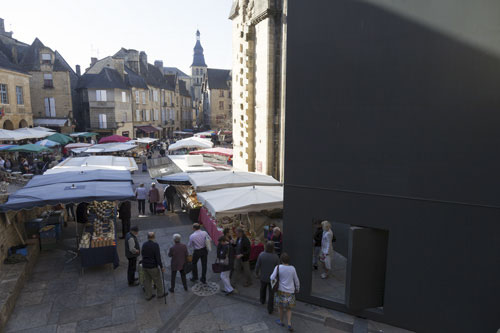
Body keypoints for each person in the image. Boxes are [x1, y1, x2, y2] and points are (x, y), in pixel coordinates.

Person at [270, 253, 300, 332]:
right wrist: (297, 288)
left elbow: (272, 277)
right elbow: (296, 280)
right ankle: (289, 324)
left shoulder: (278, 267)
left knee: (280, 307)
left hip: (280, 291)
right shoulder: (292, 268)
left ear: (281, 260)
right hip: (290, 291)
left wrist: (276, 280)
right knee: (289, 309)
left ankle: (281, 321)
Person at [255, 241, 280, 314]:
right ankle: (270, 308)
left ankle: (262, 300)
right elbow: (278, 268)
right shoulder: (276, 257)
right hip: (272, 278)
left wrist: (256, 273)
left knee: (262, 289)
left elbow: (257, 266)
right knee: (271, 294)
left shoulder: (261, 255)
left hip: (263, 276)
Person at [141, 232, 167, 300]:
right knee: (157, 280)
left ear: (148, 237)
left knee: (147, 281)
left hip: (145, 266)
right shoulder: (155, 245)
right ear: (154, 237)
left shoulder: (144, 244)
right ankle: (160, 294)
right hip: (152, 266)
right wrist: (161, 267)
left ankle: (148, 295)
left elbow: (142, 254)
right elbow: (158, 257)